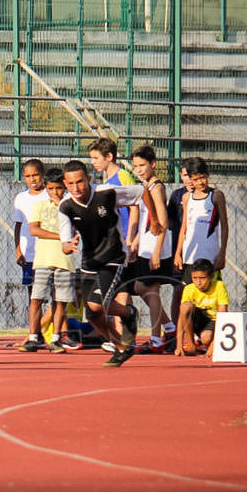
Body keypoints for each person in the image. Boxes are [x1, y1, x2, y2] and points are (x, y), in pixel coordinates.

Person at [57, 160, 145, 367]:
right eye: (70, 184)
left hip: (113, 258)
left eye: (80, 182)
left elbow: (143, 192)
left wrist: (157, 220)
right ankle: (121, 344)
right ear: (65, 184)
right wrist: (70, 244)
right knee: (93, 315)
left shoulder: (107, 192)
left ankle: (128, 315)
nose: (76, 188)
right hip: (89, 261)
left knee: (97, 304)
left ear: (88, 179)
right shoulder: (65, 206)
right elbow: (64, 244)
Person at [88, 138, 141, 349]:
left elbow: (136, 205)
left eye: (95, 158)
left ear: (108, 157)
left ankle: (123, 337)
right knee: (116, 292)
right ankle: (124, 335)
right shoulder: (105, 179)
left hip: (123, 243)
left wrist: (132, 237)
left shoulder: (123, 176)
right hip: (110, 244)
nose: (92, 162)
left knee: (119, 291)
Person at [20, 168, 74, 354]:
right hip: (43, 259)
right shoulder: (40, 206)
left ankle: (56, 337)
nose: (55, 192)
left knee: (60, 300)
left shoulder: (70, 205)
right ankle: (34, 336)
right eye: (51, 188)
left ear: (64, 188)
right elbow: (34, 230)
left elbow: (74, 232)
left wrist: (62, 207)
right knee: (36, 298)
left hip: (65, 260)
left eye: (58, 188)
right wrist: (60, 236)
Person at [129, 145, 175, 354]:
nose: (138, 169)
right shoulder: (145, 186)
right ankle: (170, 328)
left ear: (153, 164)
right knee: (140, 288)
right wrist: (136, 242)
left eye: (142, 165)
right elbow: (147, 220)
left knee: (152, 291)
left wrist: (157, 251)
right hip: (146, 246)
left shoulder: (156, 187)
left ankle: (156, 339)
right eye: (135, 166)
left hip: (156, 246)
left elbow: (162, 220)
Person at [174, 157, 229, 282]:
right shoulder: (187, 197)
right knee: (188, 296)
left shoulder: (216, 196)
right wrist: (178, 253)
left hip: (210, 257)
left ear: (208, 174)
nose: (200, 182)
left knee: (211, 296)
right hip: (190, 257)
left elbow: (224, 226)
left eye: (202, 177)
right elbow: (184, 227)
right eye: (195, 179)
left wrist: (222, 253)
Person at [12, 159, 49, 339]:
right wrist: (18, 250)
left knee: (51, 293)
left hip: (48, 253)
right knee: (32, 294)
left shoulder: (50, 194)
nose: (32, 179)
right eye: (27, 176)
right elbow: (18, 226)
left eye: (35, 175)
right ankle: (35, 332)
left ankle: (51, 331)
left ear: (42, 174)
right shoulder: (21, 198)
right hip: (29, 255)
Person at [175, 258, 229, 357]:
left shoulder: (219, 286)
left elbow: (223, 314)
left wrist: (213, 347)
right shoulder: (189, 289)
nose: (198, 282)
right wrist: (179, 345)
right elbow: (181, 318)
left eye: (202, 278)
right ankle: (191, 345)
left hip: (213, 320)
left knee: (206, 338)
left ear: (211, 277)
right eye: (195, 278)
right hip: (196, 320)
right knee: (185, 306)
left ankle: (206, 342)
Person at [167, 164, 195, 324]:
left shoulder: (209, 195)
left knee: (198, 291)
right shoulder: (177, 196)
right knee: (178, 290)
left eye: (192, 175)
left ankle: (199, 331)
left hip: (199, 251)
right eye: (185, 175)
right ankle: (176, 331)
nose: (189, 180)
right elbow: (170, 223)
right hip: (180, 251)